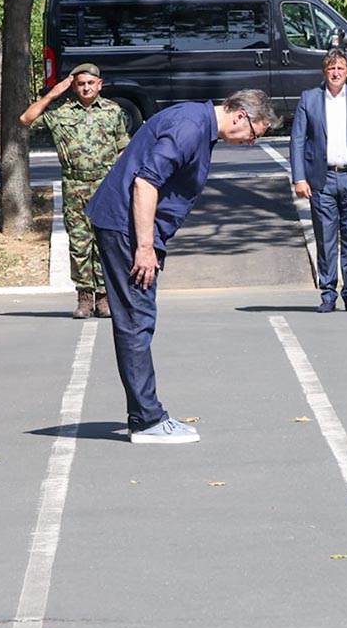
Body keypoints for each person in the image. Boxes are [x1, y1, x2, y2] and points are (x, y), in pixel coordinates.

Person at [85, 90, 279, 444]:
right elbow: (145, 182)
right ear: (240, 115)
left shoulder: (199, 124)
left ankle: (145, 415)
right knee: (136, 321)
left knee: (137, 320)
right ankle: (146, 420)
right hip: (128, 229)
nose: (252, 142)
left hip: (131, 227)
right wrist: (145, 247)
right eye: (255, 135)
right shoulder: (190, 127)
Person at [19, 63, 130, 319]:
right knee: (80, 244)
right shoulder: (60, 112)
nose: (86, 88)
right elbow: (26, 118)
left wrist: (124, 184)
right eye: (81, 83)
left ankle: (103, 297)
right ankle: (84, 297)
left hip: (106, 185)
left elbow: (124, 148)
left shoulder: (113, 112)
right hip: (75, 186)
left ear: (100, 85)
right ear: (73, 86)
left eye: (91, 83)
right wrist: (52, 94)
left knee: (105, 242)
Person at [290, 49, 347, 313]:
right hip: (322, 180)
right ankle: (328, 294)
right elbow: (297, 140)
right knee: (326, 240)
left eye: (340, 68)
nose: (336, 73)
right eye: (331, 68)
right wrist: (299, 177)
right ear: (324, 72)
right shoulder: (309, 100)